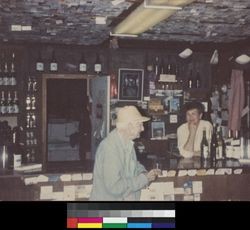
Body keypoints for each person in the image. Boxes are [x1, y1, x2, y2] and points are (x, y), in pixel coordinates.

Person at [90, 105, 160, 200]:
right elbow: (115, 187)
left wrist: (145, 173)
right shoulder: (110, 148)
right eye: (140, 124)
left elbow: (134, 165)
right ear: (130, 126)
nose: (143, 128)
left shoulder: (127, 142)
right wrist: (143, 179)